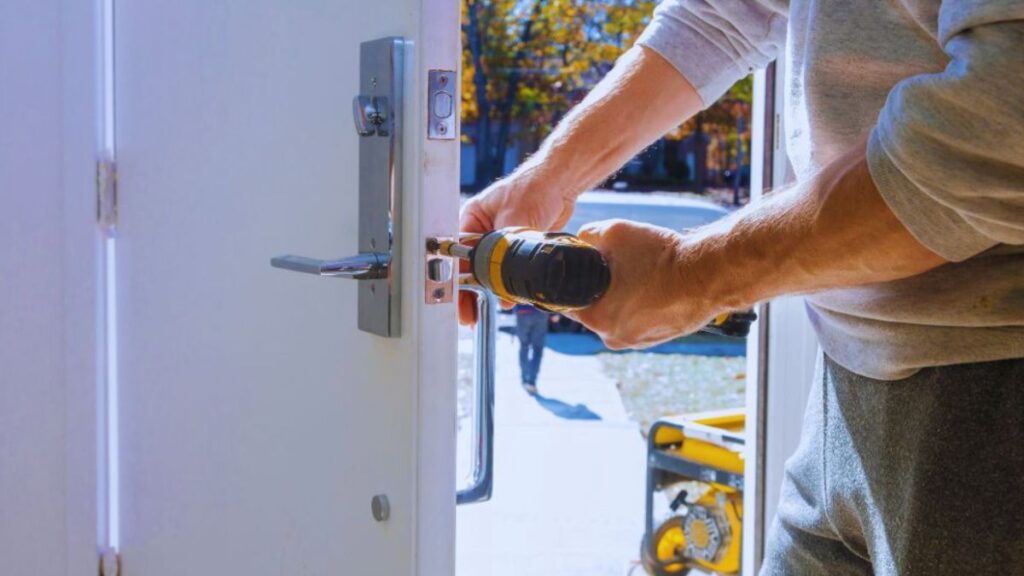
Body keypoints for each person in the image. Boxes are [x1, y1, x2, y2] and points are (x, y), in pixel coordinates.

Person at [459, 1, 1024, 574]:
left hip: (989, 404)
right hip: (840, 392)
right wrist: (550, 175)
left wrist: (688, 275)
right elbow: (726, 13)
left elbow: (999, 125)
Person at [514, 304, 549, 394]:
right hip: (541, 312)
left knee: (524, 346)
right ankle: (531, 381)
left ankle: (525, 378)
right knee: (537, 349)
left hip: (522, 311)